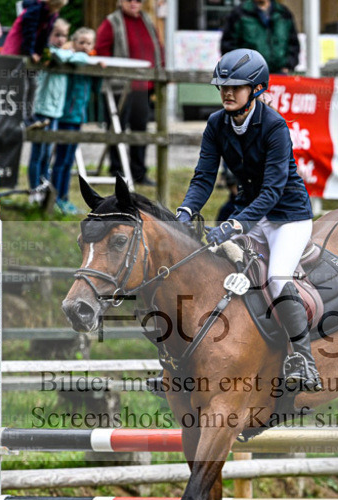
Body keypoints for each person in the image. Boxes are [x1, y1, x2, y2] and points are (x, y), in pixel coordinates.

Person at [175, 48, 320, 393]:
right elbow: (203, 178)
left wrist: (236, 224)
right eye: (222, 86)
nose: (226, 92)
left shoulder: (274, 126)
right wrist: (184, 213)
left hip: (288, 218)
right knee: (214, 272)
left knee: (275, 278)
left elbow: (272, 191)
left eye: (235, 86)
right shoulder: (216, 124)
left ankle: (304, 360)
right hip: (250, 216)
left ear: (256, 89)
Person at [94, 0, 164, 186]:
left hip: (143, 87)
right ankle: (117, 173)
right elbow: (101, 49)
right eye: (129, 0)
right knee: (118, 128)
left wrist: (160, 71)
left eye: (138, 0)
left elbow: (157, 46)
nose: (134, 3)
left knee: (140, 129)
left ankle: (139, 173)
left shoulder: (147, 20)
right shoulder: (112, 21)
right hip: (119, 86)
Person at [26, 19, 91, 203]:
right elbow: (58, 56)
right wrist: (67, 53)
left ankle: (44, 189)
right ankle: (34, 191)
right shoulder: (47, 52)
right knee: (38, 152)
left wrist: (70, 53)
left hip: (56, 111)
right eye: (57, 35)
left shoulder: (66, 53)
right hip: (42, 108)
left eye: (63, 35)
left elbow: (83, 57)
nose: (60, 39)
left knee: (48, 154)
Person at [50, 28, 99, 215]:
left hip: (79, 116)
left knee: (69, 159)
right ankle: (55, 197)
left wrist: (97, 70)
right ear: (74, 42)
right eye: (81, 42)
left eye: (89, 43)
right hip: (66, 116)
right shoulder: (70, 62)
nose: (85, 46)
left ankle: (64, 198)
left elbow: (96, 88)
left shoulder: (88, 64)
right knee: (61, 159)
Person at [220, 0, 300, 76]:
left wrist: (288, 65)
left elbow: (293, 43)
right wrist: (240, 69)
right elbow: (228, 45)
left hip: (280, 74)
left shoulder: (283, 13)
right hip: (249, 75)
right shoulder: (239, 13)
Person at [0, 0, 67, 60]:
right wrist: (30, 53)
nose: (57, 10)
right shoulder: (36, 8)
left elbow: (45, 36)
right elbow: (29, 32)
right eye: (56, 6)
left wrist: (44, 55)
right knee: (11, 61)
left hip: (32, 46)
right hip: (20, 42)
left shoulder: (52, 14)